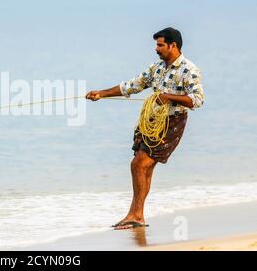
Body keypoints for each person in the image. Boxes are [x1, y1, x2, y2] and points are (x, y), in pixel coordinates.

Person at [86, 27, 205, 230]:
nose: (156, 49)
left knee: (138, 165)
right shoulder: (156, 68)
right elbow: (132, 85)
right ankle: (136, 215)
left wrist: (168, 97)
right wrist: (102, 93)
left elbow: (197, 100)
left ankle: (136, 215)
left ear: (173, 45)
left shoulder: (189, 69)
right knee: (144, 167)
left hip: (172, 123)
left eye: (160, 45)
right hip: (151, 122)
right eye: (156, 45)